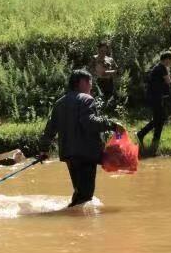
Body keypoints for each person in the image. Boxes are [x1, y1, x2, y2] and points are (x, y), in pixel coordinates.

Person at [38, 69, 125, 207]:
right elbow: (89, 121)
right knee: (86, 195)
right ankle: (79, 224)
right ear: (82, 82)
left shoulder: (59, 103)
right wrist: (112, 124)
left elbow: (50, 130)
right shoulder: (86, 99)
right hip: (86, 153)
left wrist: (44, 150)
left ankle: (74, 219)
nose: (91, 86)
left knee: (80, 191)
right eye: (90, 82)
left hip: (69, 155)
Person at [137, 50, 171, 155]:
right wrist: (168, 72)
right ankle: (141, 134)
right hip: (156, 98)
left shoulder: (158, 67)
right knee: (159, 118)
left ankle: (154, 144)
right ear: (166, 59)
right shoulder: (161, 68)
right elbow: (168, 81)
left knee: (160, 119)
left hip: (158, 98)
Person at [90, 41, 117, 107]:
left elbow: (117, 70)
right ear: (98, 49)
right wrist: (97, 73)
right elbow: (90, 70)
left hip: (109, 82)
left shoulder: (110, 59)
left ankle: (107, 112)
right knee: (98, 98)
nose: (103, 53)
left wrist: (108, 72)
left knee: (109, 99)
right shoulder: (94, 58)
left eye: (105, 51)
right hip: (98, 81)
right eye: (101, 50)